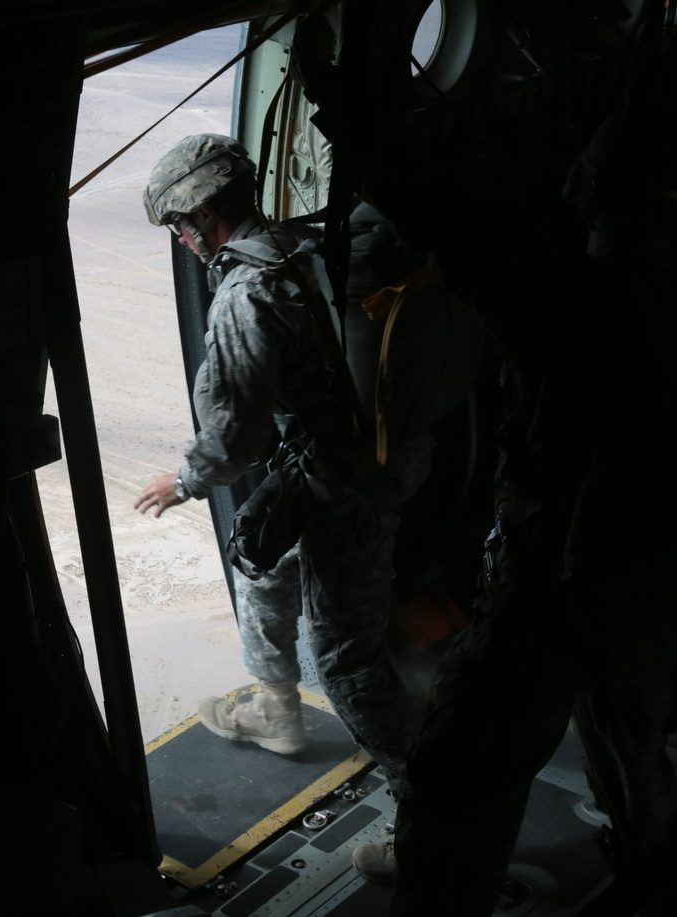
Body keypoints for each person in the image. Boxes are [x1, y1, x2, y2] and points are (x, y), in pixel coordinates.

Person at [351, 108, 677, 915]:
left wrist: (380, 150)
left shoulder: (602, 305)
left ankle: (439, 889)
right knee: (630, 738)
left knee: (459, 768)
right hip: (666, 580)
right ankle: (664, 865)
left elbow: (480, 257)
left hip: (569, 589)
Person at [135, 134, 482, 799]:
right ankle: (274, 704)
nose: (180, 237)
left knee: (346, 662)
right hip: (383, 453)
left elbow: (236, 436)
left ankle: (433, 810)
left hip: (348, 485)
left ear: (206, 214)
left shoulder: (245, 295)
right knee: (263, 560)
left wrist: (181, 483)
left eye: (180, 223)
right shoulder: (307, 241)